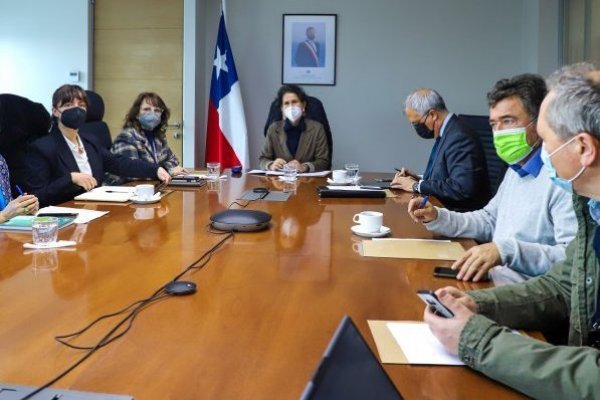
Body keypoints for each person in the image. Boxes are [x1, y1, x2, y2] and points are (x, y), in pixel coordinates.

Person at [424, 63, 600, 399]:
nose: (543, 155)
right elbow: (564, 284)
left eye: (547, 140)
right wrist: (476, 305)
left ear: (583, 148)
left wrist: (476, 338)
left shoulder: (568, 190)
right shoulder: (590, 207)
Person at [407, 74, 577, 281]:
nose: (499, 132)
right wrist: (438, 217)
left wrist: (506, 250)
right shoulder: (516, 171)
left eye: (508, 121)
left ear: (540, 122)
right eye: (494, 124)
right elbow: (489, 220)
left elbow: (573, 261)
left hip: (529, 294)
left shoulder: (564, 180)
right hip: (494, 279)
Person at [24, 85, 171, 206]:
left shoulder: (90, 141)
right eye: (68, 105)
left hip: (96, 210)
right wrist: (70, 178)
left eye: (81, 105)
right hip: (64, 218)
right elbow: (37, 197)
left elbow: (120, 163)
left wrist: (155, 169)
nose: (76, 110)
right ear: (55, 111)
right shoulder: (42, 147)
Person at [392, 89, 490, 211]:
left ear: (432, 115)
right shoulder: (449, 131)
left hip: (459, 216)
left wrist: (416, 186)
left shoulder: (459, 136)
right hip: (442, 209)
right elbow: (447, 176)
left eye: (417, 123)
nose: (416, 128)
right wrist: (419, 179)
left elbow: (461, 188)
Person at [105, 92, 186, 185]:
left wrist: (160, 170)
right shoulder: (128, 136)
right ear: (137, 114)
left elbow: (174, 160)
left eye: (157, 110)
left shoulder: (158, 137)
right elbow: (131, 172)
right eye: (147, 109)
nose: (152, 113)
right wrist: (165, 170)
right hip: (120, 191)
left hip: (149, 187)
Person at [259, 85, 329, 172]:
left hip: (308, 182)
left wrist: (305, 167)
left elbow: (324, 161)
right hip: (279, 182)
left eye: (294, 102)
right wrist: (271, 165)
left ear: (303, 105)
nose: (291, 106)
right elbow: (263, 159)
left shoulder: (317, 129)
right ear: (282, 108)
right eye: (286, 103)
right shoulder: (273, 129)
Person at [0, 153, 38, 223]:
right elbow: (5, 214)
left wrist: (23, 207)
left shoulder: (1, 160)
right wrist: (4, 215)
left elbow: (5, 204)